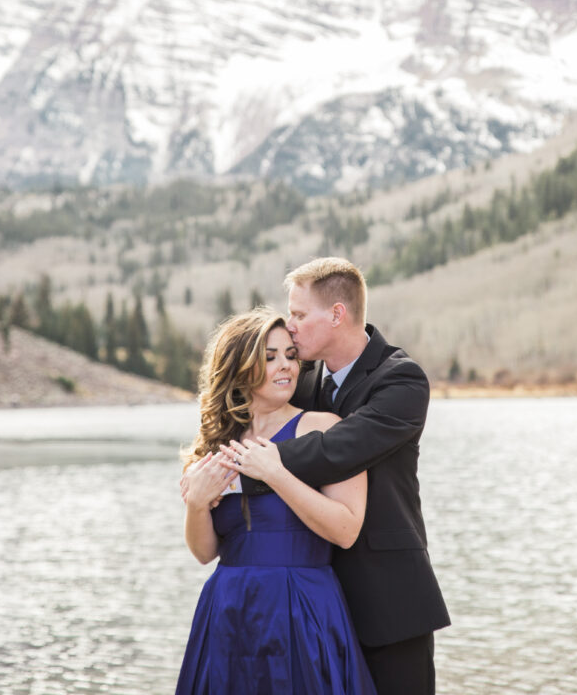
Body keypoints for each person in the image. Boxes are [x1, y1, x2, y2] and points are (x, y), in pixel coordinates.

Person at [226, 258, 450, 695]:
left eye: (299, 314)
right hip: (312, 604)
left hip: (389, 602)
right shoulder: (302, 380)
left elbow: (339, 449)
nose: (290, 326)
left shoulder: (402, 381)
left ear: (336, 314)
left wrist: (249, 470)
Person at [175, 306, 377, 695]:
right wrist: (196, 505)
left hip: (302, 606)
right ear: (240, 368)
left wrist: (276, 474)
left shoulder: (323, 428)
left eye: (290, 355)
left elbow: (346, 530)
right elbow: (205, 553)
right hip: (229, 609)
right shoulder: (218, 445)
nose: (285, 366)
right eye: (269, 358)